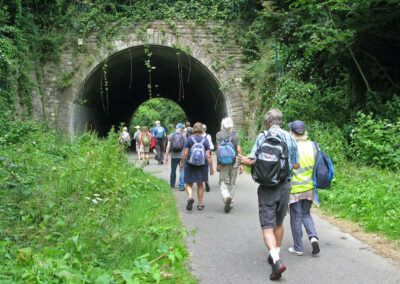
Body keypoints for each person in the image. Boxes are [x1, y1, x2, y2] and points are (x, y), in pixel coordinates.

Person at [238, 109, 299, 281]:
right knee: (279, 222)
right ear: (280, 121)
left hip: (267, 187)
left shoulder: (262, 136)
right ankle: (275, 256)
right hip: (285, 185)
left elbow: (253, 161)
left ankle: (276, 260)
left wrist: (244, 161)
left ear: (267, 122)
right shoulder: (290, 138)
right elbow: (296, 165)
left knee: (267, 226)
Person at [287, 120, 320, 256]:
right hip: (309, 187)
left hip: (295, 189)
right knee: (306, 214)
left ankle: (298, 247)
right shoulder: (313, 146)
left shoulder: (291, 147)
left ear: (292, 133)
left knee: (296, 217)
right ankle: (313, 237)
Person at [179, 122, 214, 211]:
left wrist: (181, 164)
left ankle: (190, 197)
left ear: (193, 129)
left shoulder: (189, 139)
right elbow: (208, 156)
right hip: (202, 165)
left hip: (190, 164)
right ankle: (199, 204)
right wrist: (211, 168)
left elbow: (185, 153)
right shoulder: (205, 140)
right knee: (200, 184)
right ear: (202, 129)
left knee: (188, 183)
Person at [216, 118, 243, 213]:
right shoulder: (236, 135)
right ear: (231, 125)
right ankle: (230, 203)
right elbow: (239, 150)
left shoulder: (219, 135)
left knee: (222, 182)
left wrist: (218, 163)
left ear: (223, 125)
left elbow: (218, 149)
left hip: (223, 162)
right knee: (232, 183)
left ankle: (226, 196)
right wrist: (241, 164)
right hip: (234, 161)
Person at [165, 123, 186, 191]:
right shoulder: (184, 136)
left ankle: (172, 184)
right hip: (182, 156)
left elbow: (168, 147)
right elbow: (186, 147)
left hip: (174, 156)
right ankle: (181, 186)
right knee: (182, 170)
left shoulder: (171, 135)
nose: (183, 129)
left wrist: (166, 156)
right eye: (182, 128)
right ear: (181, 128)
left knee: (173, 170)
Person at [202, 124, 214, 192]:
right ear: (205, 129)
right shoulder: (208, 136)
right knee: (206, 168)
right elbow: (211, 146)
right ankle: (206, 180)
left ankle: (200, 181)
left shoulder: (197, 136)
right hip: (206, 155)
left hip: (198, 156)